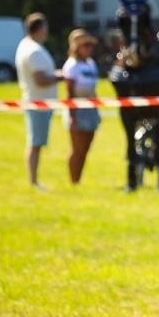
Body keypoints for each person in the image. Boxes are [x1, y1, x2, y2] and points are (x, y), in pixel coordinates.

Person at [14, 13, 61, 189]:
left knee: (36, 143)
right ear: (40, 28)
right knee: (35, 144)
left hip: (38, 101)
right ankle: (34, 181)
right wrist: (59, 76)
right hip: (38, 102)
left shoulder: (27, 46)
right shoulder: (33, 50)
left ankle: (34, 180)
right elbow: (40, 79)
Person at [61, 28, 102, 184]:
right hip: (77, 110)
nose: (89, 48)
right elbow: (69, 93)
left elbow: (94, 89)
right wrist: (72, 116)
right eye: (86, 45)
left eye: (90, 45)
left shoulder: (91, 64)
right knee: (77, 149)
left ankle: (78, 178)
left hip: (90, 109)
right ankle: (73, 180)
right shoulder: (71, 66)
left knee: (86, 148)